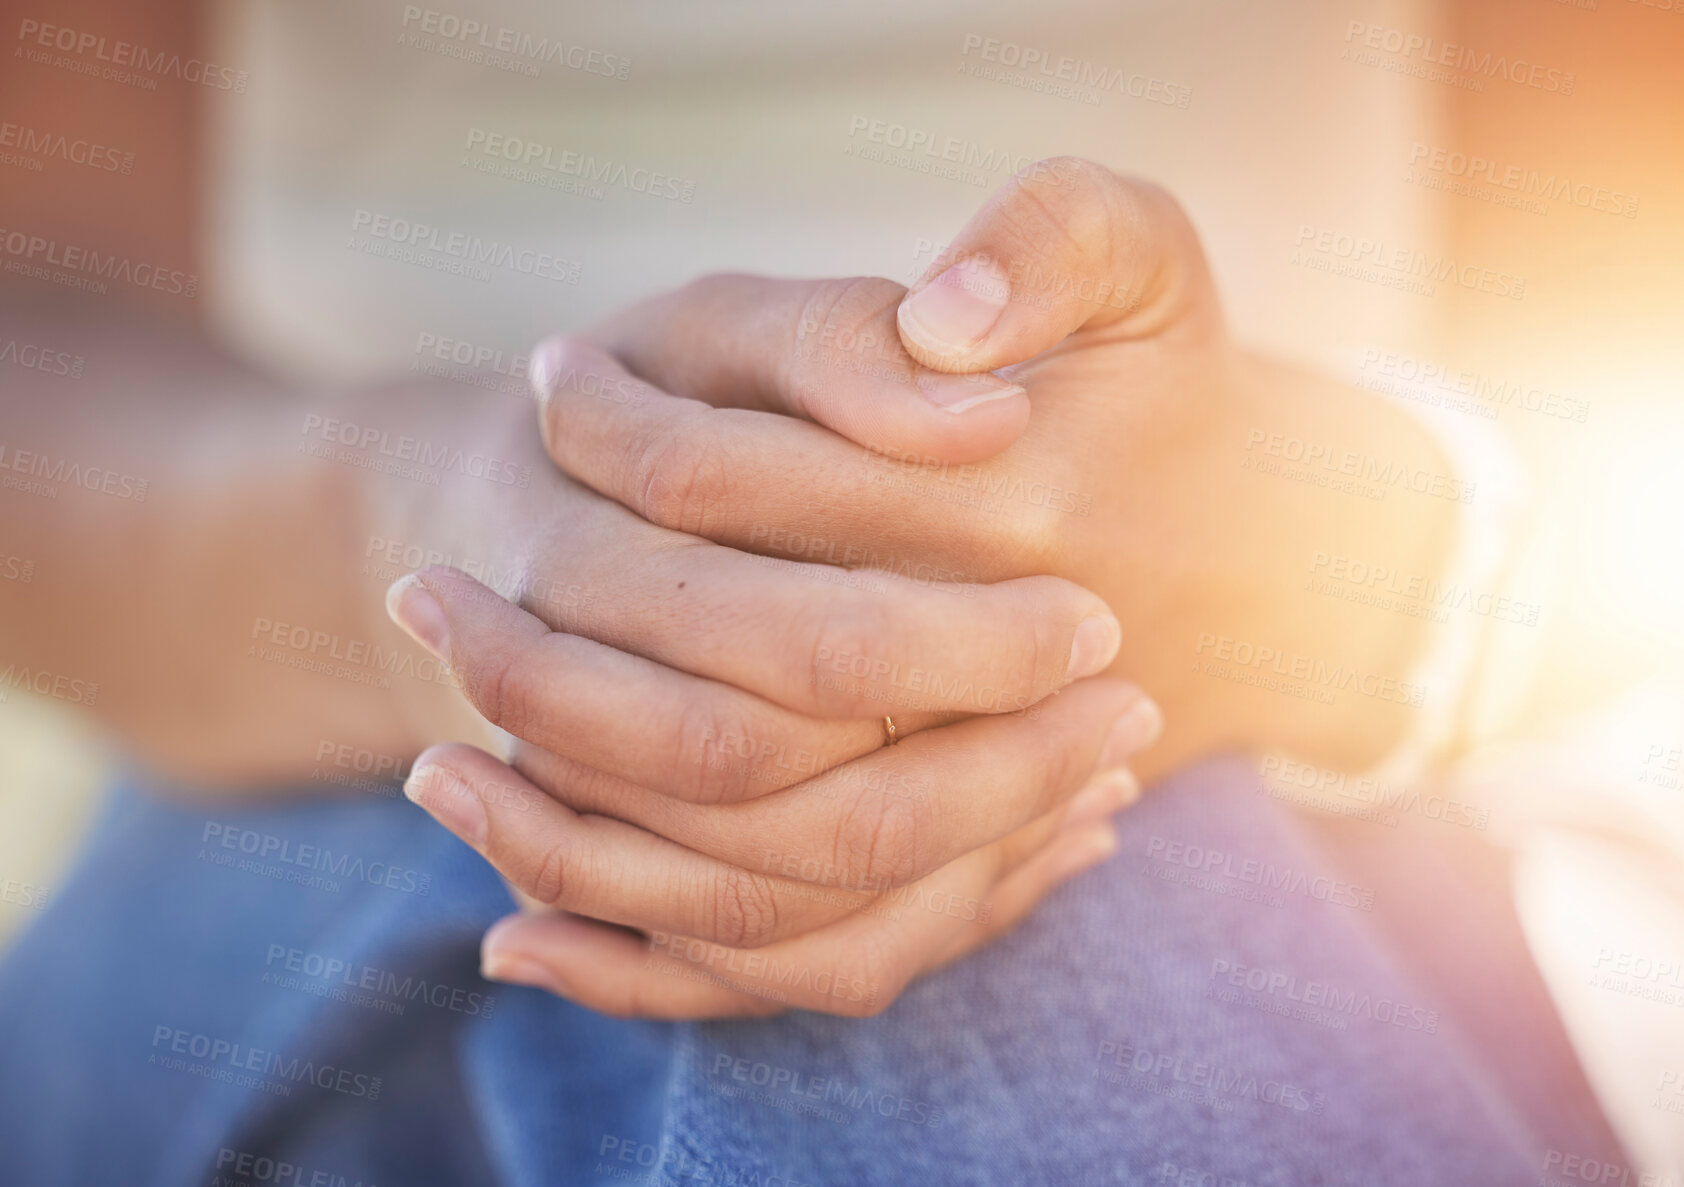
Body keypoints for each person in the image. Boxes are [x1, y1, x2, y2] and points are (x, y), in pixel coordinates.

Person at [0, 2, 1625, 1182]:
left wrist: (1282, 555)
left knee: (1090, 916)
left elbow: (1630, 364)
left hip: (1309, 748)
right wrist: (418, 550)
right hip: (318, 732)